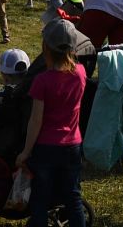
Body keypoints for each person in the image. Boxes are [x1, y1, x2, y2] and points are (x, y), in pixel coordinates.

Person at [17, 18, 94, 227]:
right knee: (73, 196)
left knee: (41, 197)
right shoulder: (80, 74)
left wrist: (25, 152)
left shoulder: (41, 81)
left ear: (46, 49)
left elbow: (36, 120)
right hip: (73, 145)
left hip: (46, 148)